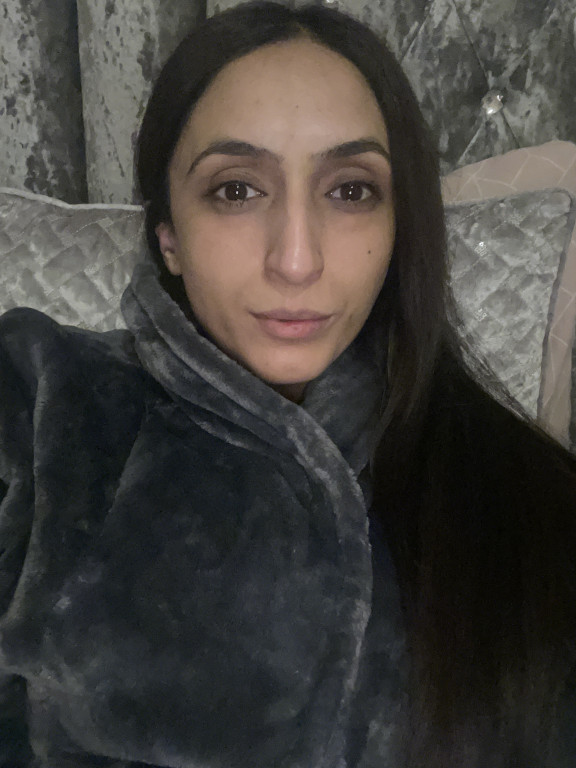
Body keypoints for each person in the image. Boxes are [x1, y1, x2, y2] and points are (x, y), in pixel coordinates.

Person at [1, 2, 575, 766]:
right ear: (168, 235)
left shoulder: (539, 510)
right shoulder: (37, 401)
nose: (296, 260)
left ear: (398, 225)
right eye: (237, 190)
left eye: (350, 191)